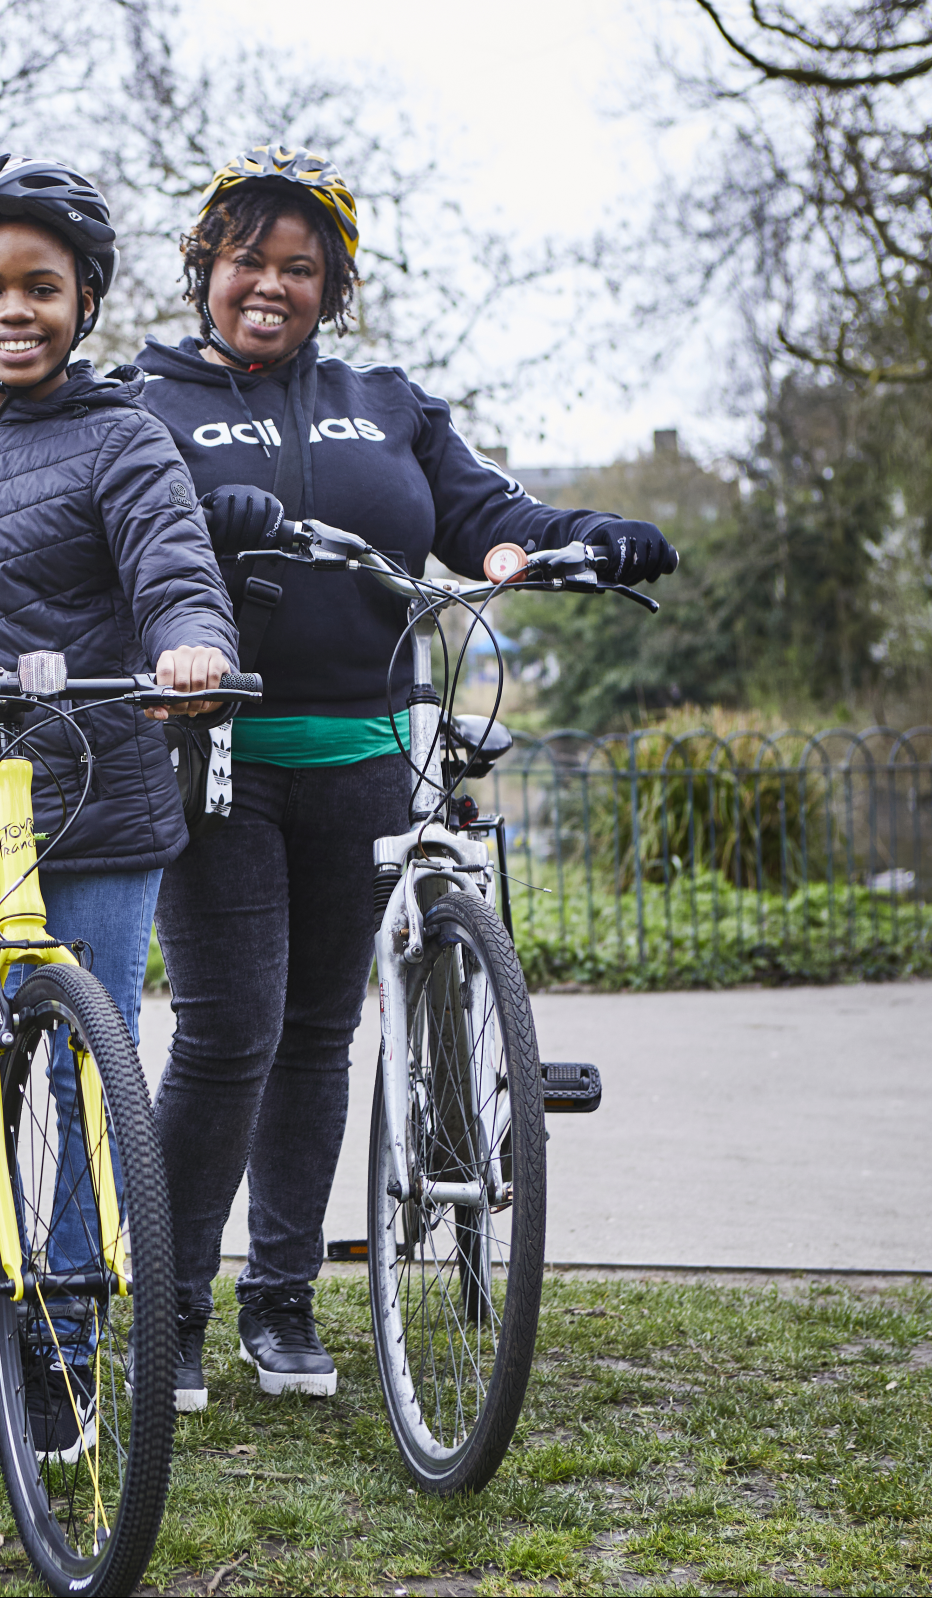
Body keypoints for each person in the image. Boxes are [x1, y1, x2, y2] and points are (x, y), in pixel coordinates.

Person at [130, 145, 681, 1410]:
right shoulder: (141, 401)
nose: (268, 284)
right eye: (246, 260)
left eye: (299, 268)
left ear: (333, 287)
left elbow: (487, 518)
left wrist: (580, 538)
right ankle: (167, 1311)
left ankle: (280, 1303)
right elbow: (108, 528)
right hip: (218, 756)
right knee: (228, 1032)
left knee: (319, 1032)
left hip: (367, 757)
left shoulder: (386, 403)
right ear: (202, 265)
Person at [0, 155, 238, 1457]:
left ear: (83, 299)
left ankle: (54, 1353)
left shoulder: (125, 437)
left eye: (42, 288)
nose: (13, 310)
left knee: (80, 1078)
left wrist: (188, 648)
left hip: (97, 805)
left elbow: (176, 572)